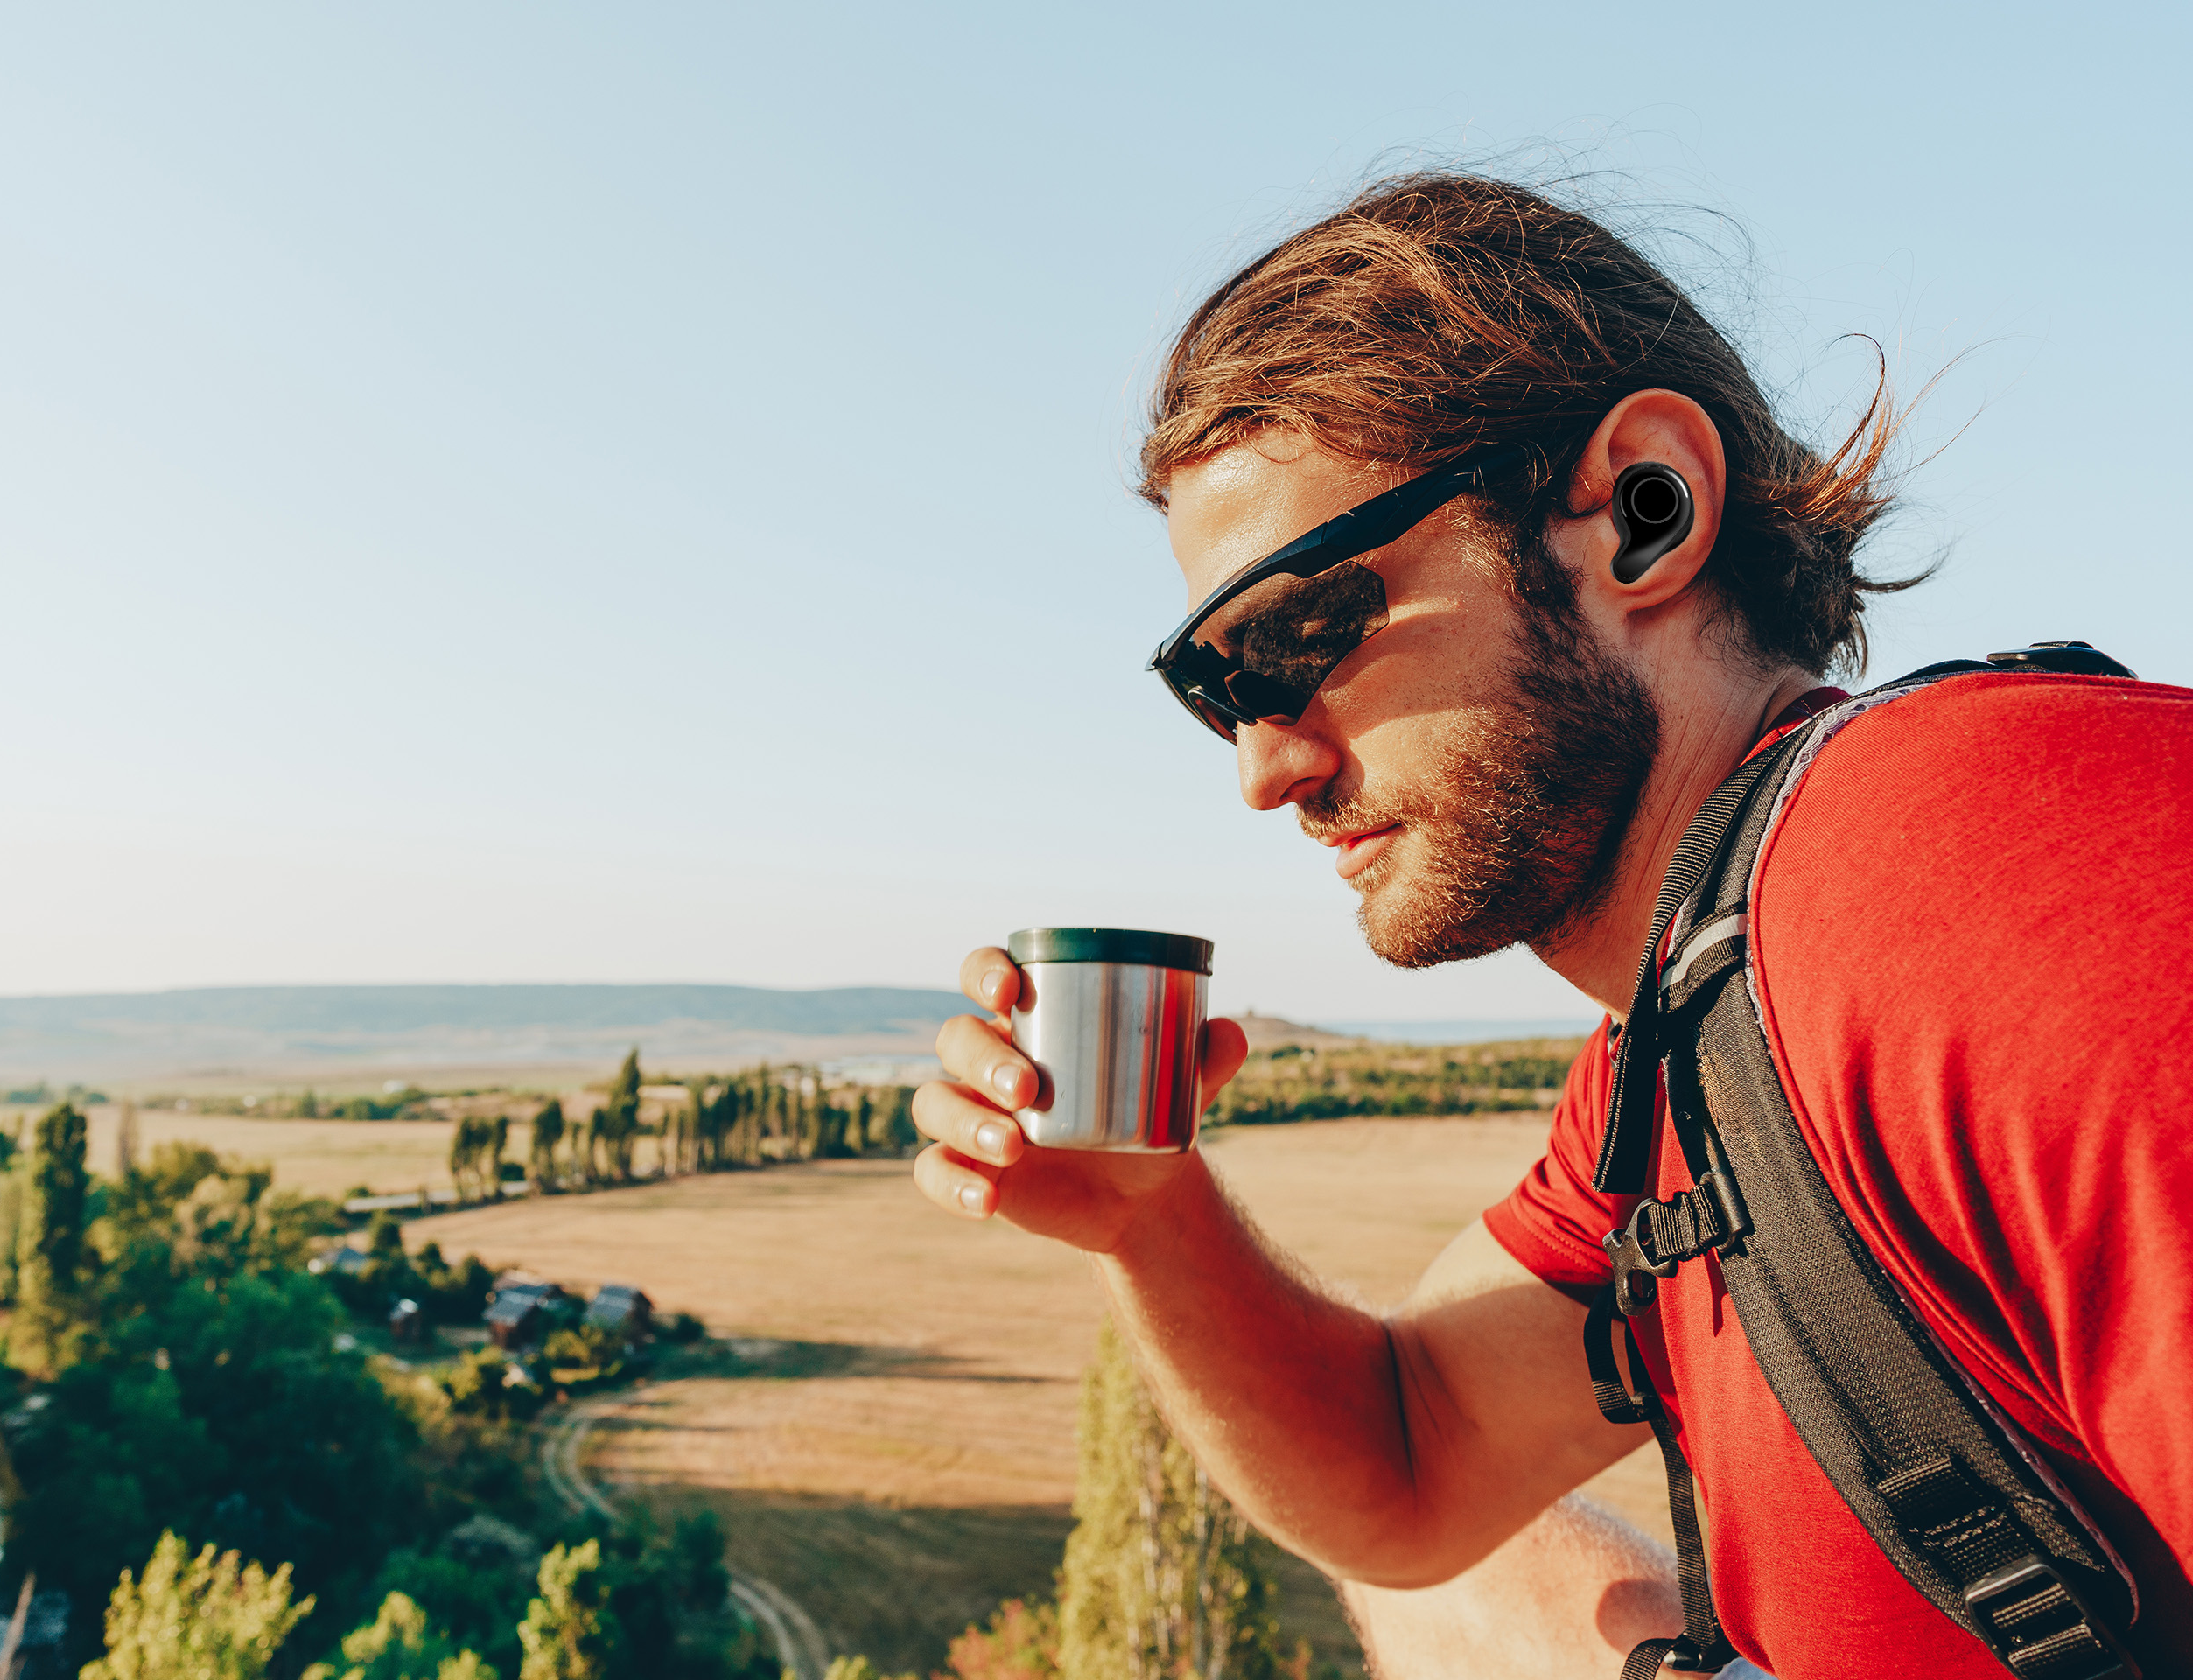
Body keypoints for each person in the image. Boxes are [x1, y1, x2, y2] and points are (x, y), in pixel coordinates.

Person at [908, 173, 2191, 1677]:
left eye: (1292, 638)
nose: (1266, 768)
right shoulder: (1696, 1032)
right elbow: (1410, 1462)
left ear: (1644, 508)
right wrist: (1147, 1218)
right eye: (1218, 692)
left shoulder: (2013, 881)